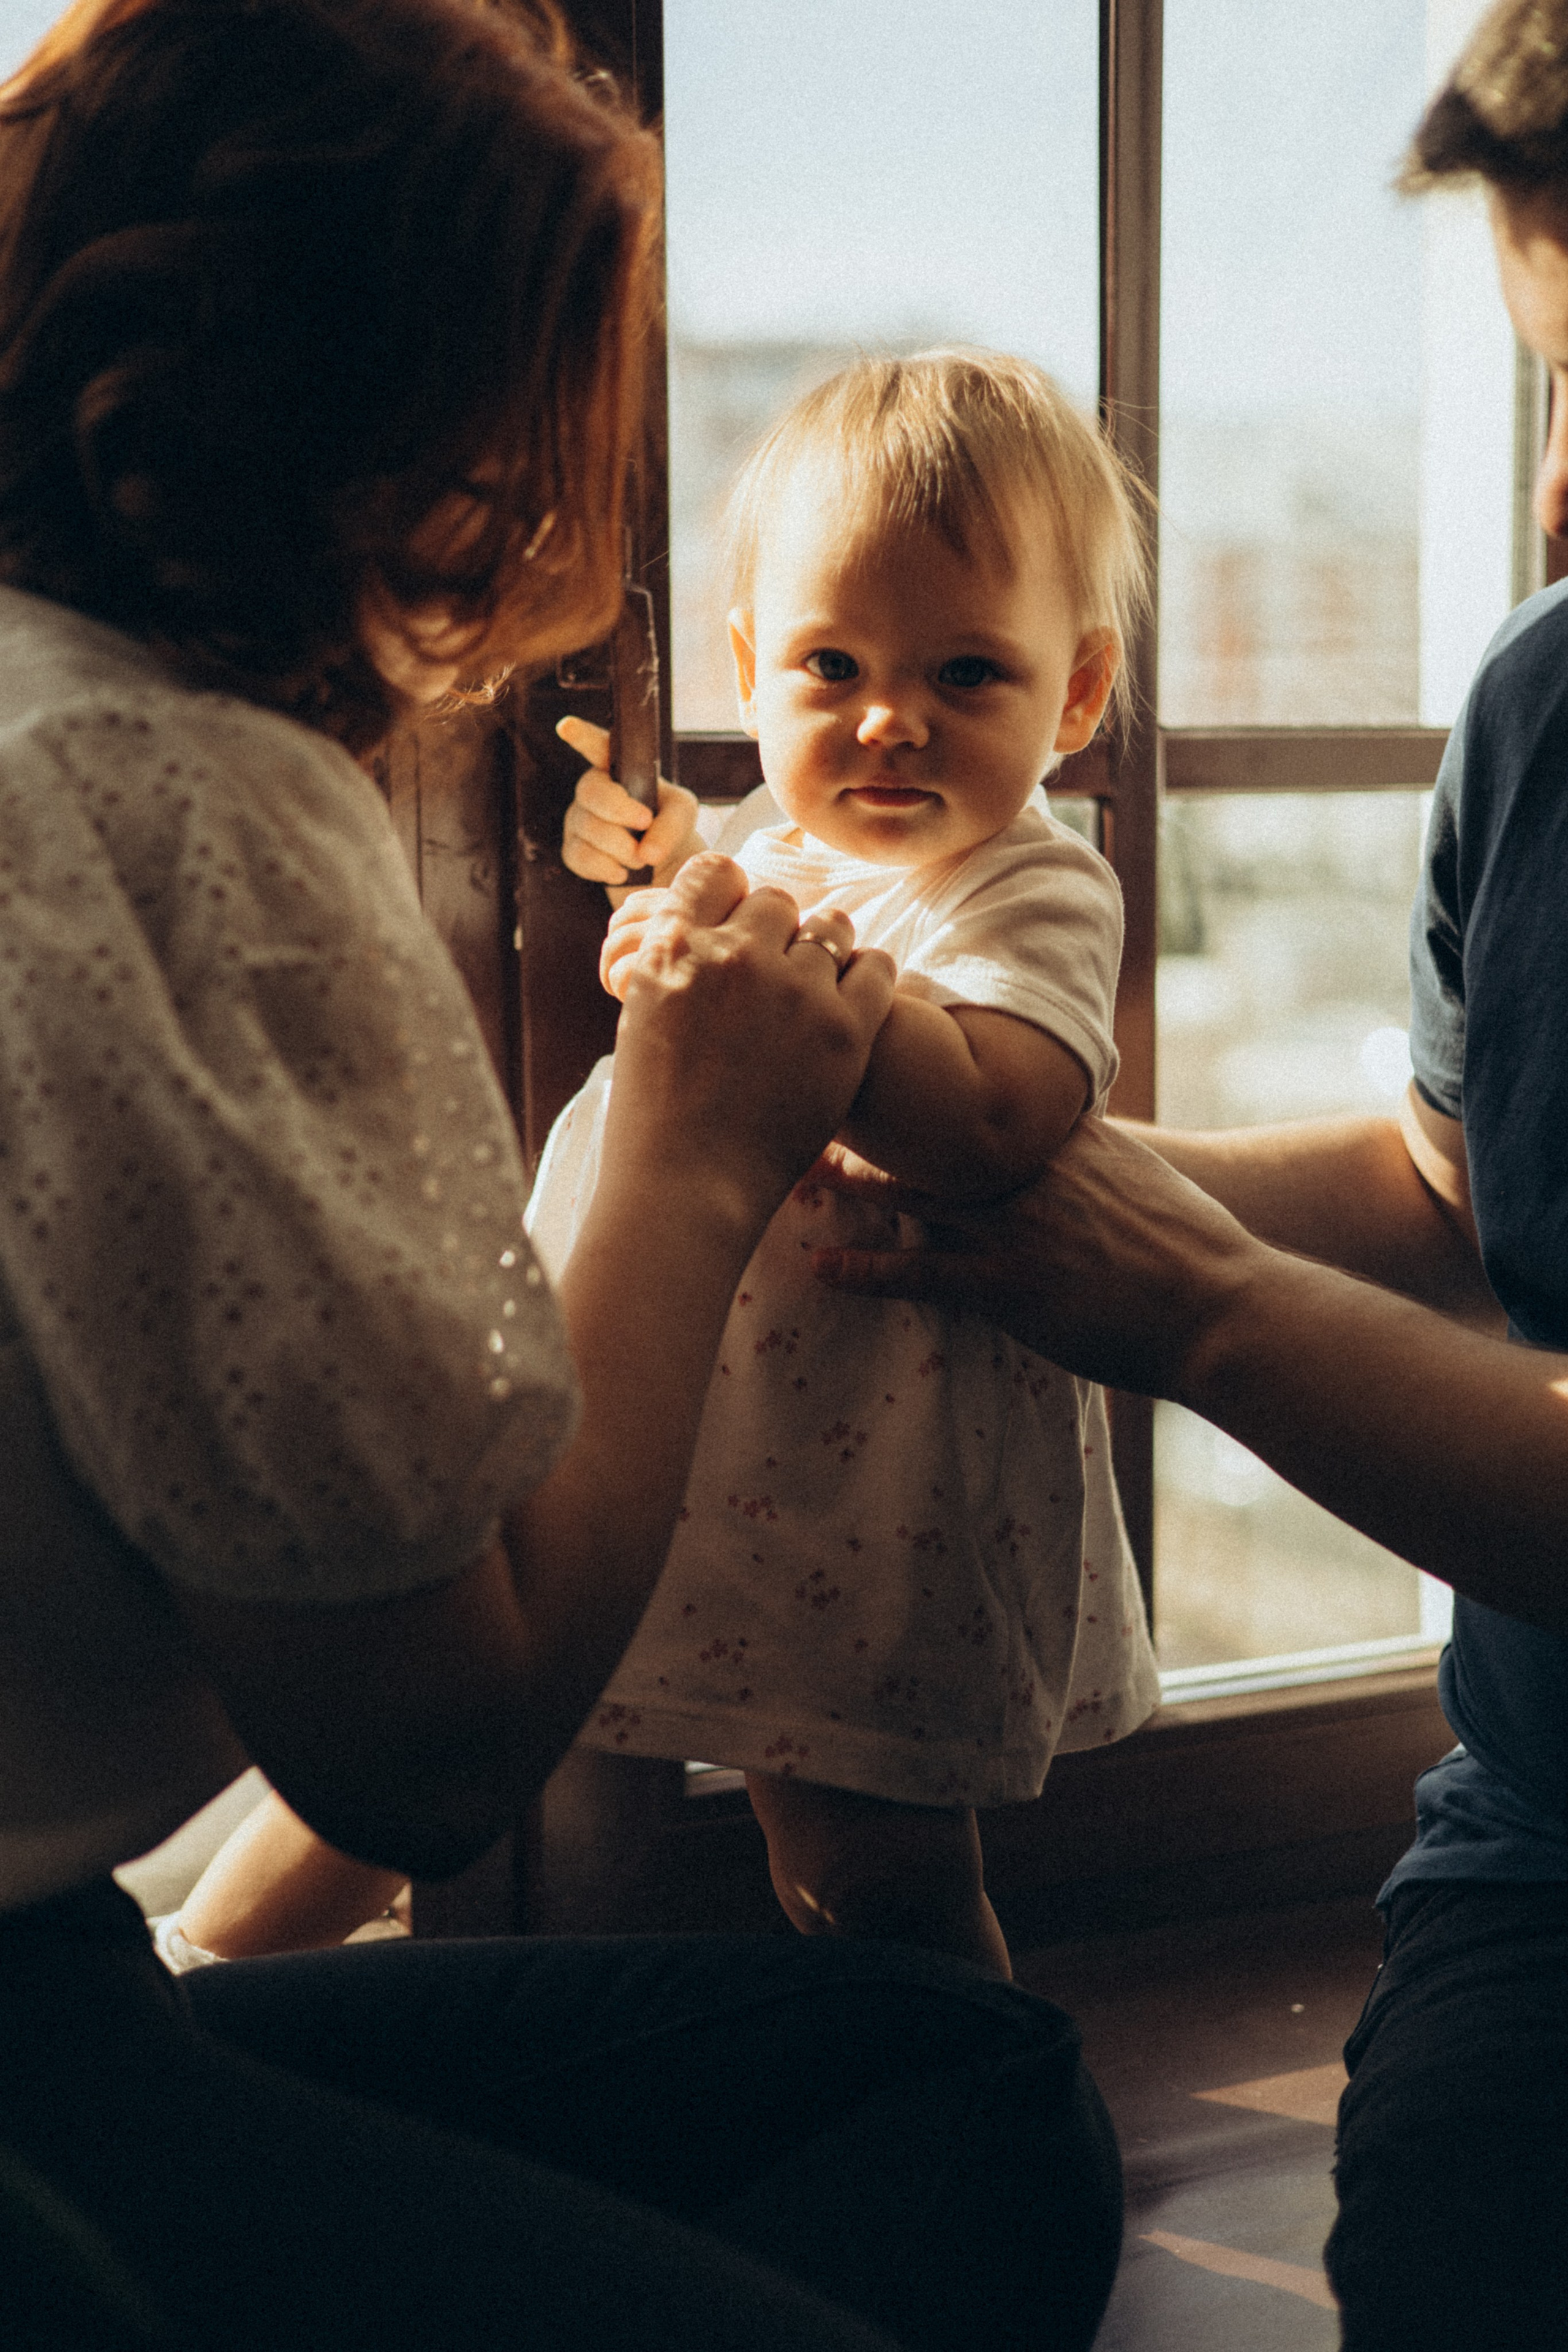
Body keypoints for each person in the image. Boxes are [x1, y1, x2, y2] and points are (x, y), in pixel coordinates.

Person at [0, 7, 1126, 2351]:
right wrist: (704, 1146)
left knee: (917, 1966)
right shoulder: (167, 804)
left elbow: (1017, 1093)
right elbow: (422, 1754)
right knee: (979, 2115)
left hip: (68, 1965)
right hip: (37, 2046)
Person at [818, 5, 1568, 2342]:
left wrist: (1198, 1313)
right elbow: (1456, 1185)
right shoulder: (1547, 711)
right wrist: (1046, 1173)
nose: (1558, 499)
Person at [518, 352, 1156, 1981]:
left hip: (874, 1468)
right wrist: (659, 861)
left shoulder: (1034, 892)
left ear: (1072, 698)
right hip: (664, 1406)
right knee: (543, 1767)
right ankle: (280, 1984)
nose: (889, 720)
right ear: (751, 667)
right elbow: (712, 892)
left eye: (964, 673)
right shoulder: (760, 850)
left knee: (861, 1862)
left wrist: (777, 983)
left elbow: (998, 1119)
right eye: (830, 665)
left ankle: (978, 2116)